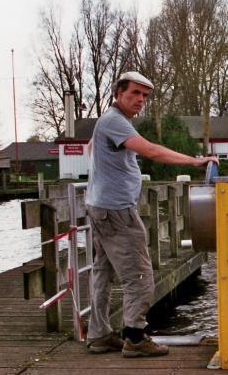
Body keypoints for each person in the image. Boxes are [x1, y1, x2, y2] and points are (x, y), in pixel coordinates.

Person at [85, 71, 219, 358]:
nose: (141, 100)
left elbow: (91, 149)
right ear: (119, 93)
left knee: (104, 272)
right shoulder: (114, 121)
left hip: (101, 207)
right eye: (135, 93)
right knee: (141, 273)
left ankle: (99, 335)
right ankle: (135, 337)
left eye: (145, 96)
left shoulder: (107, 123)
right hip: (116, 211)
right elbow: (150, 151)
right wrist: (195, 161)